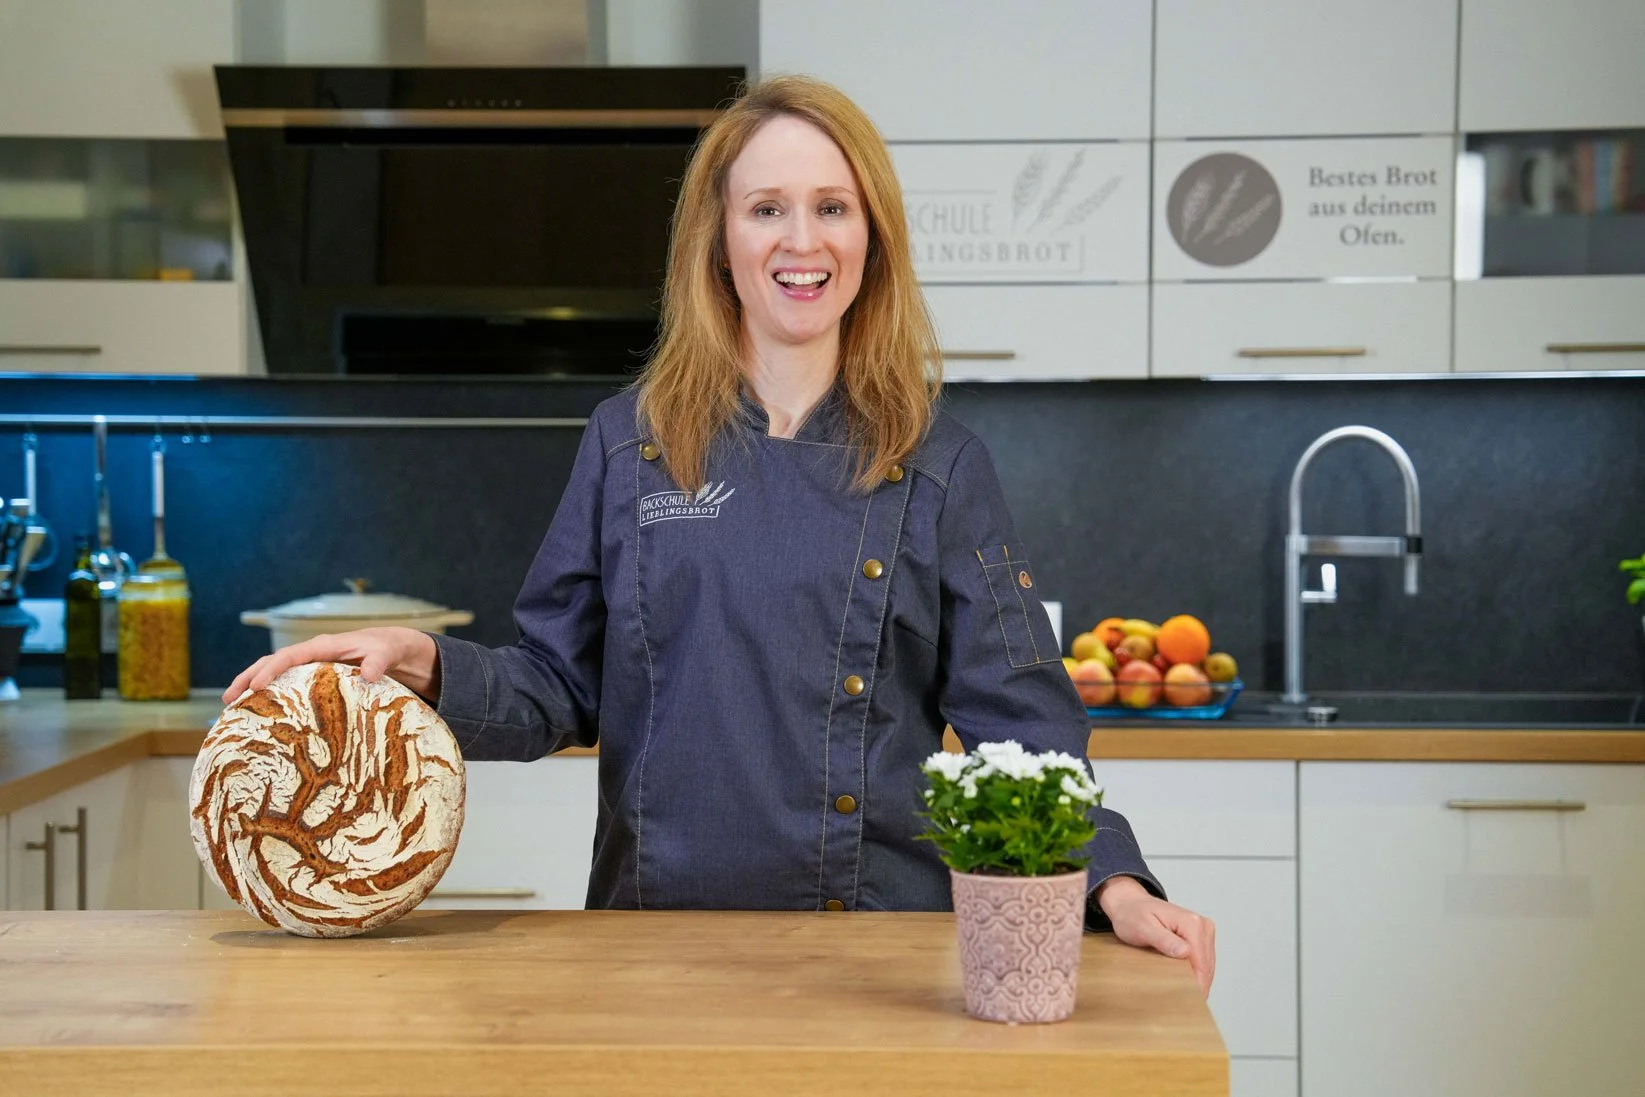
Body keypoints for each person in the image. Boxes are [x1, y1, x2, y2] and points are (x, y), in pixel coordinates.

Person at [226, 75, 1216, 995]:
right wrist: (426, 663)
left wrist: (1115, 882)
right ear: (719, 238)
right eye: (766, 207)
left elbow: (1024, 732)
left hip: (873, 954)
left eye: (832, 206)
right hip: (654, 952)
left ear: (870, 235)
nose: (803, 239)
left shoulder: (937, 462)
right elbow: (558, 685)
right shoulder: (632, 441)